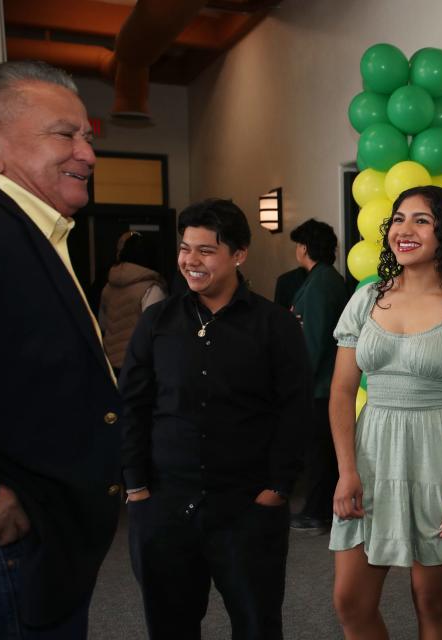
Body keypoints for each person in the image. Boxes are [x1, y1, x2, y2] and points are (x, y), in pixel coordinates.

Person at [120, 199, 312, 640]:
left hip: (246, 508)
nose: (191, 261)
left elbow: (295, 409)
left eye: (206, 250)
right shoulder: (157, 322)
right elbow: (132, 404)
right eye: (186, 249)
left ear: (239, 254)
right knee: (170, 627)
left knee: (257, 625)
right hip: (165, 505)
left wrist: (278, 487)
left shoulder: (274, 325)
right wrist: (136, 486)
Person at [0, 60, 121, 638]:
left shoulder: (24, 226)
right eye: (64, 134)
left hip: (38, 548)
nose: (87, 153)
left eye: (86, 136)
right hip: (5, 551)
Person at [330, 185, 442, 639]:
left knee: (431, 600)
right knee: (350, 600)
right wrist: (346, 471)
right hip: (370, 456)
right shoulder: (365, 298)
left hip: (438, 457)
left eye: (421, 220)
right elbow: (341, 390)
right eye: (399, 219)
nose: (404, 230)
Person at [287, 219, 348, 534]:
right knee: (322, 450)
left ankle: (318, 511)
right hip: (324, 382)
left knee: (319, 452)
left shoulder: (320, 284)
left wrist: (298, 381)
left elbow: (312, 339)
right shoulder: (325, 279)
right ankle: (321, 508)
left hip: (321, 385)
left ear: (305, 247)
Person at [99, 230, 167, 376]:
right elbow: (155, 332)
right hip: (138, 365)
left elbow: (103, 324)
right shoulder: (152, 289)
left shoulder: (108, 286)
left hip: (110, 362)